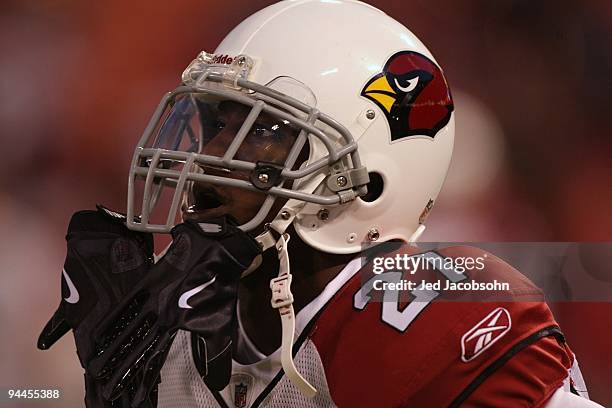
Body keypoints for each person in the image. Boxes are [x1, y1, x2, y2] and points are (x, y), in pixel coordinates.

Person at [38, 0, 603, 407]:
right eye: (215, 123)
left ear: (368, 177)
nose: (211, 157)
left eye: (263, 131)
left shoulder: (418, 321)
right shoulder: (178, 331)